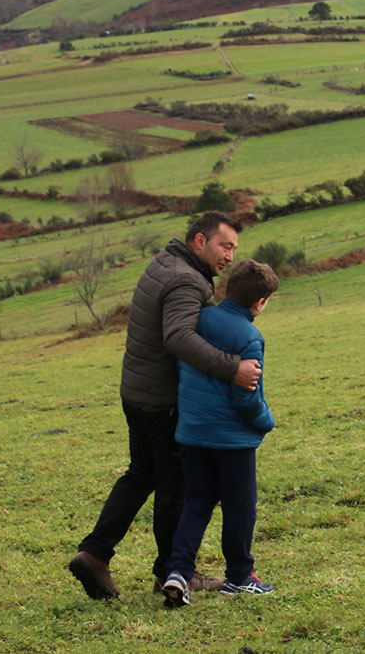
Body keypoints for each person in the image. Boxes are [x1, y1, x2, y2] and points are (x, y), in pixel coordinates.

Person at [68, 211, 261, 600]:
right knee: (179, 488)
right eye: (225, 246)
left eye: (234, 248)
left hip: (137, 393)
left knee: (141, 475)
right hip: (163, 402)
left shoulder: (164, 263)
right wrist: (232, 369)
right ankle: (172, 572)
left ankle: (94, 552)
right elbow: (178, 338)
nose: (230, 256)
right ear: (200, 241)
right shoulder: (186, 279)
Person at [161, 259, 280, 608]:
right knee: (240, 507)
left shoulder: (198, 319)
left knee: (197, 502)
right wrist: (266, 421)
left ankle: (178, 571)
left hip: (192, 434)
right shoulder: (250, 336)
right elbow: (246, 396)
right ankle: (240, 578)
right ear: (259, 303)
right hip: (233, 440)